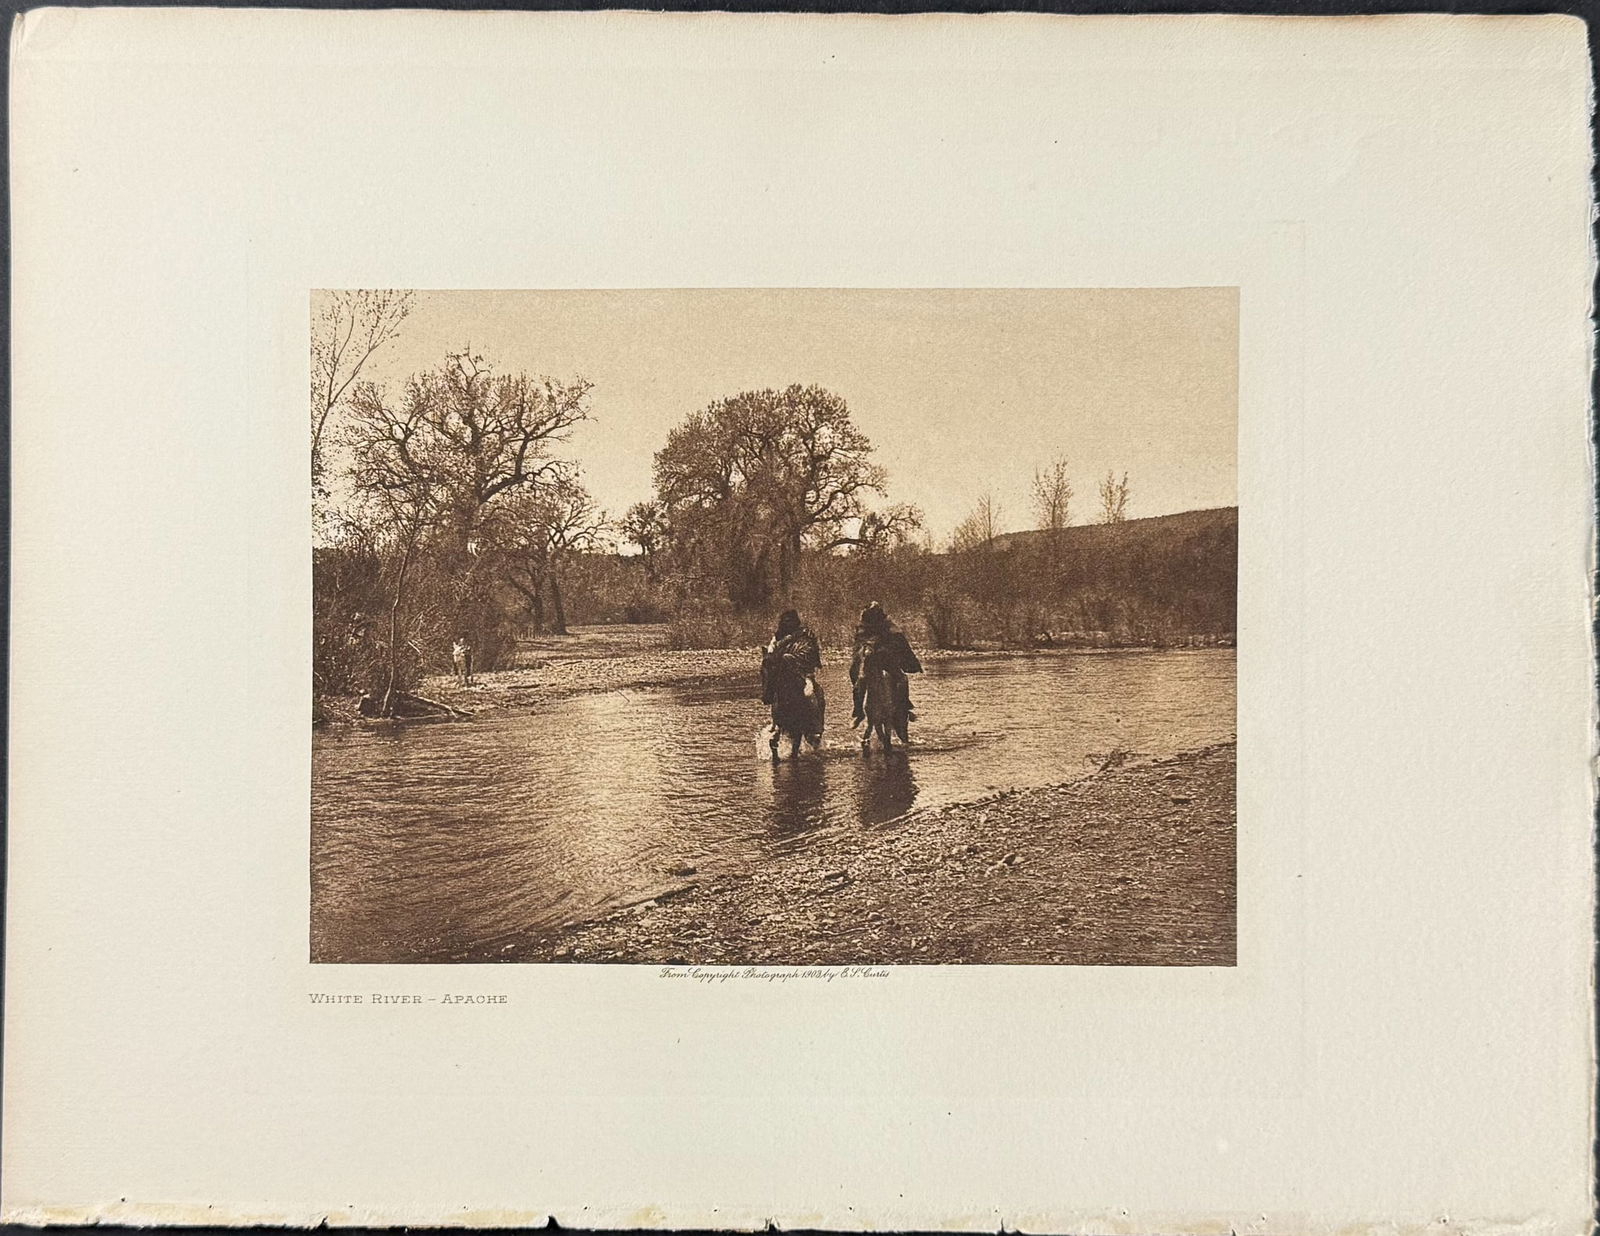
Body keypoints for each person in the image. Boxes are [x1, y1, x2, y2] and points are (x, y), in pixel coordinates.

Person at [850, 601, 921, 726]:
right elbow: (858, 643)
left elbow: (899, 640)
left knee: (902, 679)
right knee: (860, 681)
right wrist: (864, 651)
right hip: (870, 660)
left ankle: (905, 707)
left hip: (887, 659)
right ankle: (859, 712)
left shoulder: (889, 625)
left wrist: (888, 649)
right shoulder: (862, 626)